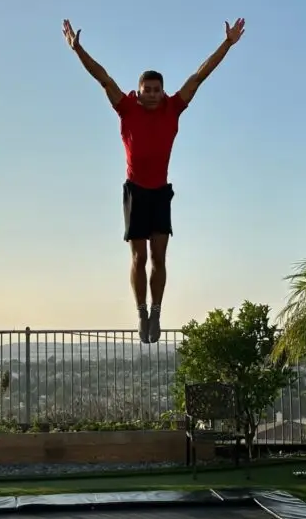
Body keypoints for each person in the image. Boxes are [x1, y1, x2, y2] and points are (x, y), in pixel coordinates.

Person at [62, 17, 246, 343]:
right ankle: (141, 312)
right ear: (139, 91)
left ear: (163, 92)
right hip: (135, 192)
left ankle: (157, 311)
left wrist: (227, 44)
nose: (151, 94)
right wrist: (78, 50)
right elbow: (103, 78)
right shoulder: (126, 108)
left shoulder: (172, 108)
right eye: (146, 90)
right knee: (139, 257)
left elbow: (199, 76)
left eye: (156, 90)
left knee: (159, 257)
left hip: (160, 192)